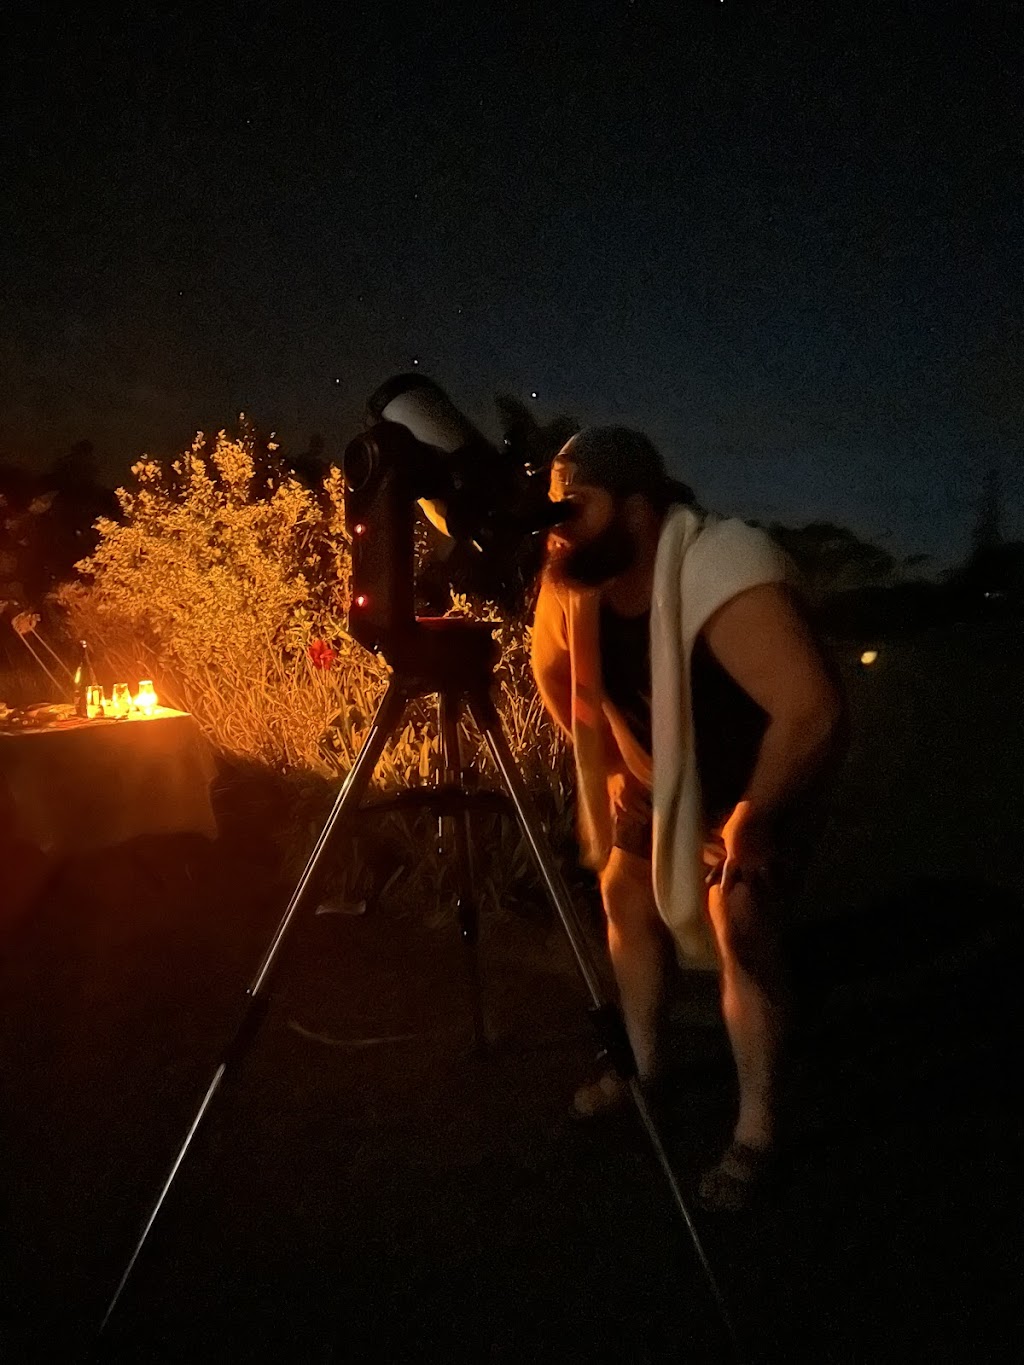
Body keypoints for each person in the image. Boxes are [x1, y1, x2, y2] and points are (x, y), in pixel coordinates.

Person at [530, 427, 847, 1211]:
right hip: (662, 778)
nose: (559, 523)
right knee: (623, 895)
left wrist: (757, 817)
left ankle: (759, 1129)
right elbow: (557, 674)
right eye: (553, 505)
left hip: (764, 783)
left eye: (579, 504)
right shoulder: (575, 580)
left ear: (638, 509)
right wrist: (608, 767)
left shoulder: (718, 569)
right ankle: (644, 1066)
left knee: (740, 921)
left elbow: (810, 711)